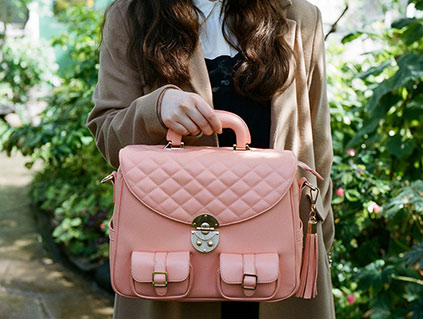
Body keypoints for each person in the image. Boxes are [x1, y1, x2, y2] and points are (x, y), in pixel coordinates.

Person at [86, 0, 335, 318]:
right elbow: (108, 134)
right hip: (173, 263)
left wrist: (318, 251)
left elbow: (318, 150)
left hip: (282, 258)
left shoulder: (299, 17)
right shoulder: (133, 15)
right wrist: (156, 109)